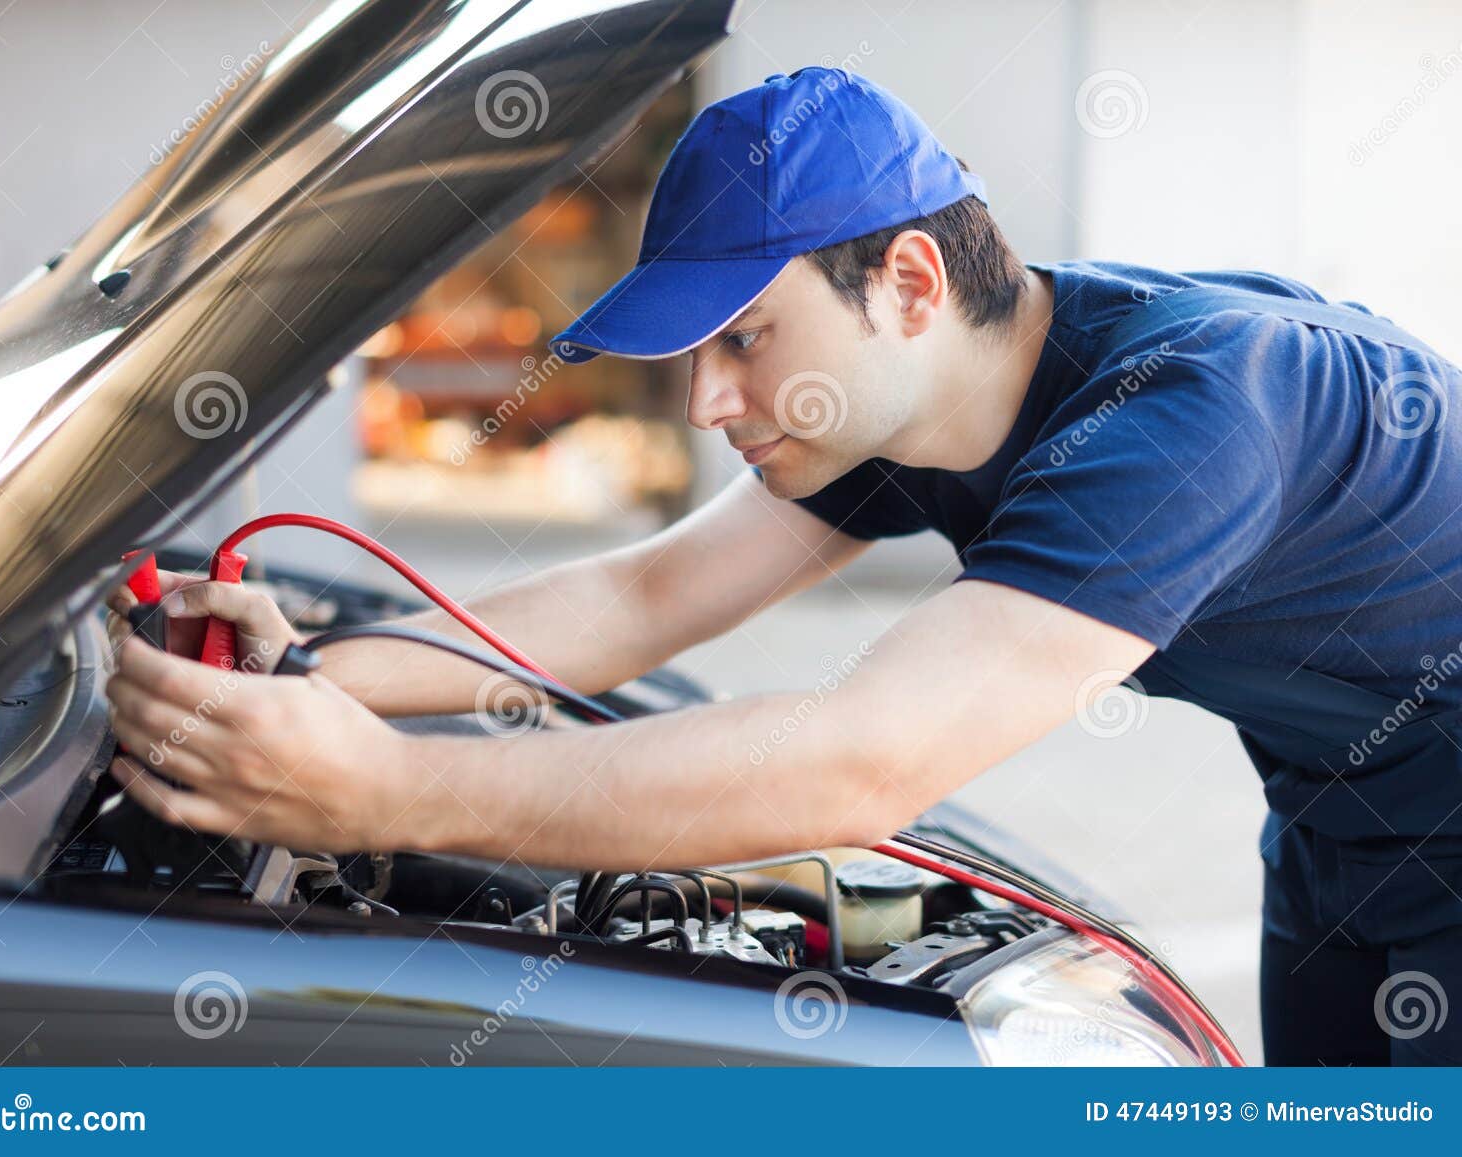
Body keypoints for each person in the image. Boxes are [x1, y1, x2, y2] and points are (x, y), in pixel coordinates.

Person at [105, 68, 1462, 1065]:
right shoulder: (927, 392)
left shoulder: (1188, 415)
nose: (706, 402)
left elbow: (859, 760)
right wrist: (313, 674)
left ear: (911, 283)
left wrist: (388, 792)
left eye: (745, 339)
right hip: (1341, 835)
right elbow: (639, 596)